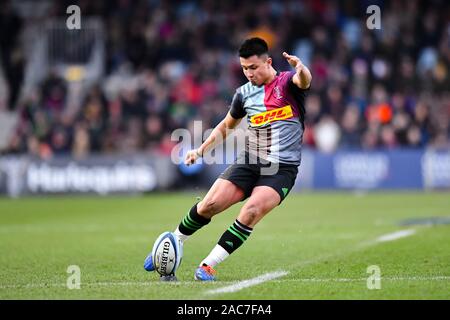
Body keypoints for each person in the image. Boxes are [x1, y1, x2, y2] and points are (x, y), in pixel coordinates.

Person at [144, 37, 312, 281]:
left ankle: (207, 265)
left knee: (251, 211)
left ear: (268, 62)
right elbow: (226, 125)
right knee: (209, 205)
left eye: (253, 67)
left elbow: (304, 80)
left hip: (281, 169)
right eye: (244, 68)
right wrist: (200, 150)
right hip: (250, 160)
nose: (248, 73)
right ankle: (170, 245)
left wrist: (302, 68)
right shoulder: (243, 94)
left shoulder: (287, 82)